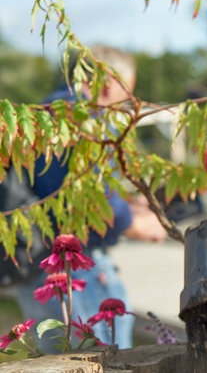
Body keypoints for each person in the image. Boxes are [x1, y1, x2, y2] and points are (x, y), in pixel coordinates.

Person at [13, 45, 167, 351]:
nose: (123, 108)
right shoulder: (88, 120)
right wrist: (138, 224)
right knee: (104, 362)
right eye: (126, 96)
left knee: (63, 362)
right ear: (108, 83)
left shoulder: (39, 117)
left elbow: (60, 194)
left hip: (35, 268)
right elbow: (99, 207)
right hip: (76, 273)